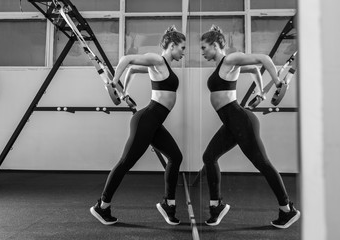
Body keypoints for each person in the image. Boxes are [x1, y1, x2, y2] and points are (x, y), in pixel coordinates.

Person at [200, 25, 300, 228]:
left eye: (204, 47)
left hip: (240, 121)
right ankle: (216, 206)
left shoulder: (229, 59)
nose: (202, 52)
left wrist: (277, 81)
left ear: (215, 45)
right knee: (209, 157)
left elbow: (262, 59)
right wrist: (262, 91)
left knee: (262, 163)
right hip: (231, 122)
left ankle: (287, 210)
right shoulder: (225, 66)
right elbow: (254, 69)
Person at [90, 26, 186, 226]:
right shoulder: (158, 60)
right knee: (126, 162)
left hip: (154, 122)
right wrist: (114, 83)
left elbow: (133, 69)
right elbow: (127, 59)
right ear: (172, 45)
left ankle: (168, 204)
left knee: (176, 157)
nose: (183, 52)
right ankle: (102, 205)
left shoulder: (162, 66)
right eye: (182, 48)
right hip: (147, 120)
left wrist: (124, 92)